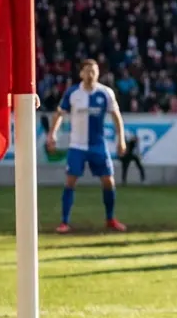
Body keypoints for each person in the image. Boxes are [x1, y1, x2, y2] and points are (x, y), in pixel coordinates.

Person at [47, 59, 127, 233]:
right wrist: (52, 134)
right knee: (70, 182)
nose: (90, 75)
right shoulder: (73, 92)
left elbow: (116, 116)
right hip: (77, 146)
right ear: (81, 73)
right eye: (87, 71)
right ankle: (64, 222)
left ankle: (110, 218)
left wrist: (121, 139)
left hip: (98, 145)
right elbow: (59, 114)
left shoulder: (106, 93)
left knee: (108, 181)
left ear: (98, 73)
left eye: (94, 71)